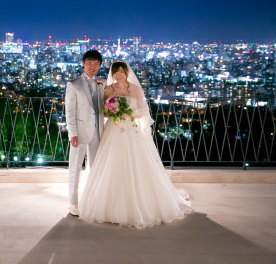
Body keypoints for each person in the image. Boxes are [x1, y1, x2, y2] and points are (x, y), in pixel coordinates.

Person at [80, 61, 192, 228]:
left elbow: (142, 111)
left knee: (137, 163)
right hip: (113, 130)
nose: (118, 75)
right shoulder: (108, 89)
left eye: (121, 72)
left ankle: (141, 205)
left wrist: (127, 114)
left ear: (126, 72)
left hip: (131, 130)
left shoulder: (135, 89)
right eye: (115, 72)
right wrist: (113, 112)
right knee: (112, 163)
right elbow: (102, 109)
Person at [65, 49, 104, 216]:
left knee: (96, 168)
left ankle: (93, 201)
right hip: (79, 132)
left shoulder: (101, 84)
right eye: (89, 63)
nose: (92, 66)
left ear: (100, 66)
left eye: (96, 64)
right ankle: (73, 203)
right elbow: (70, 111)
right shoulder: (73, 84)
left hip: (98, 131)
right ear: (83, 63)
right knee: (75, 168)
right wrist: (72, 133)